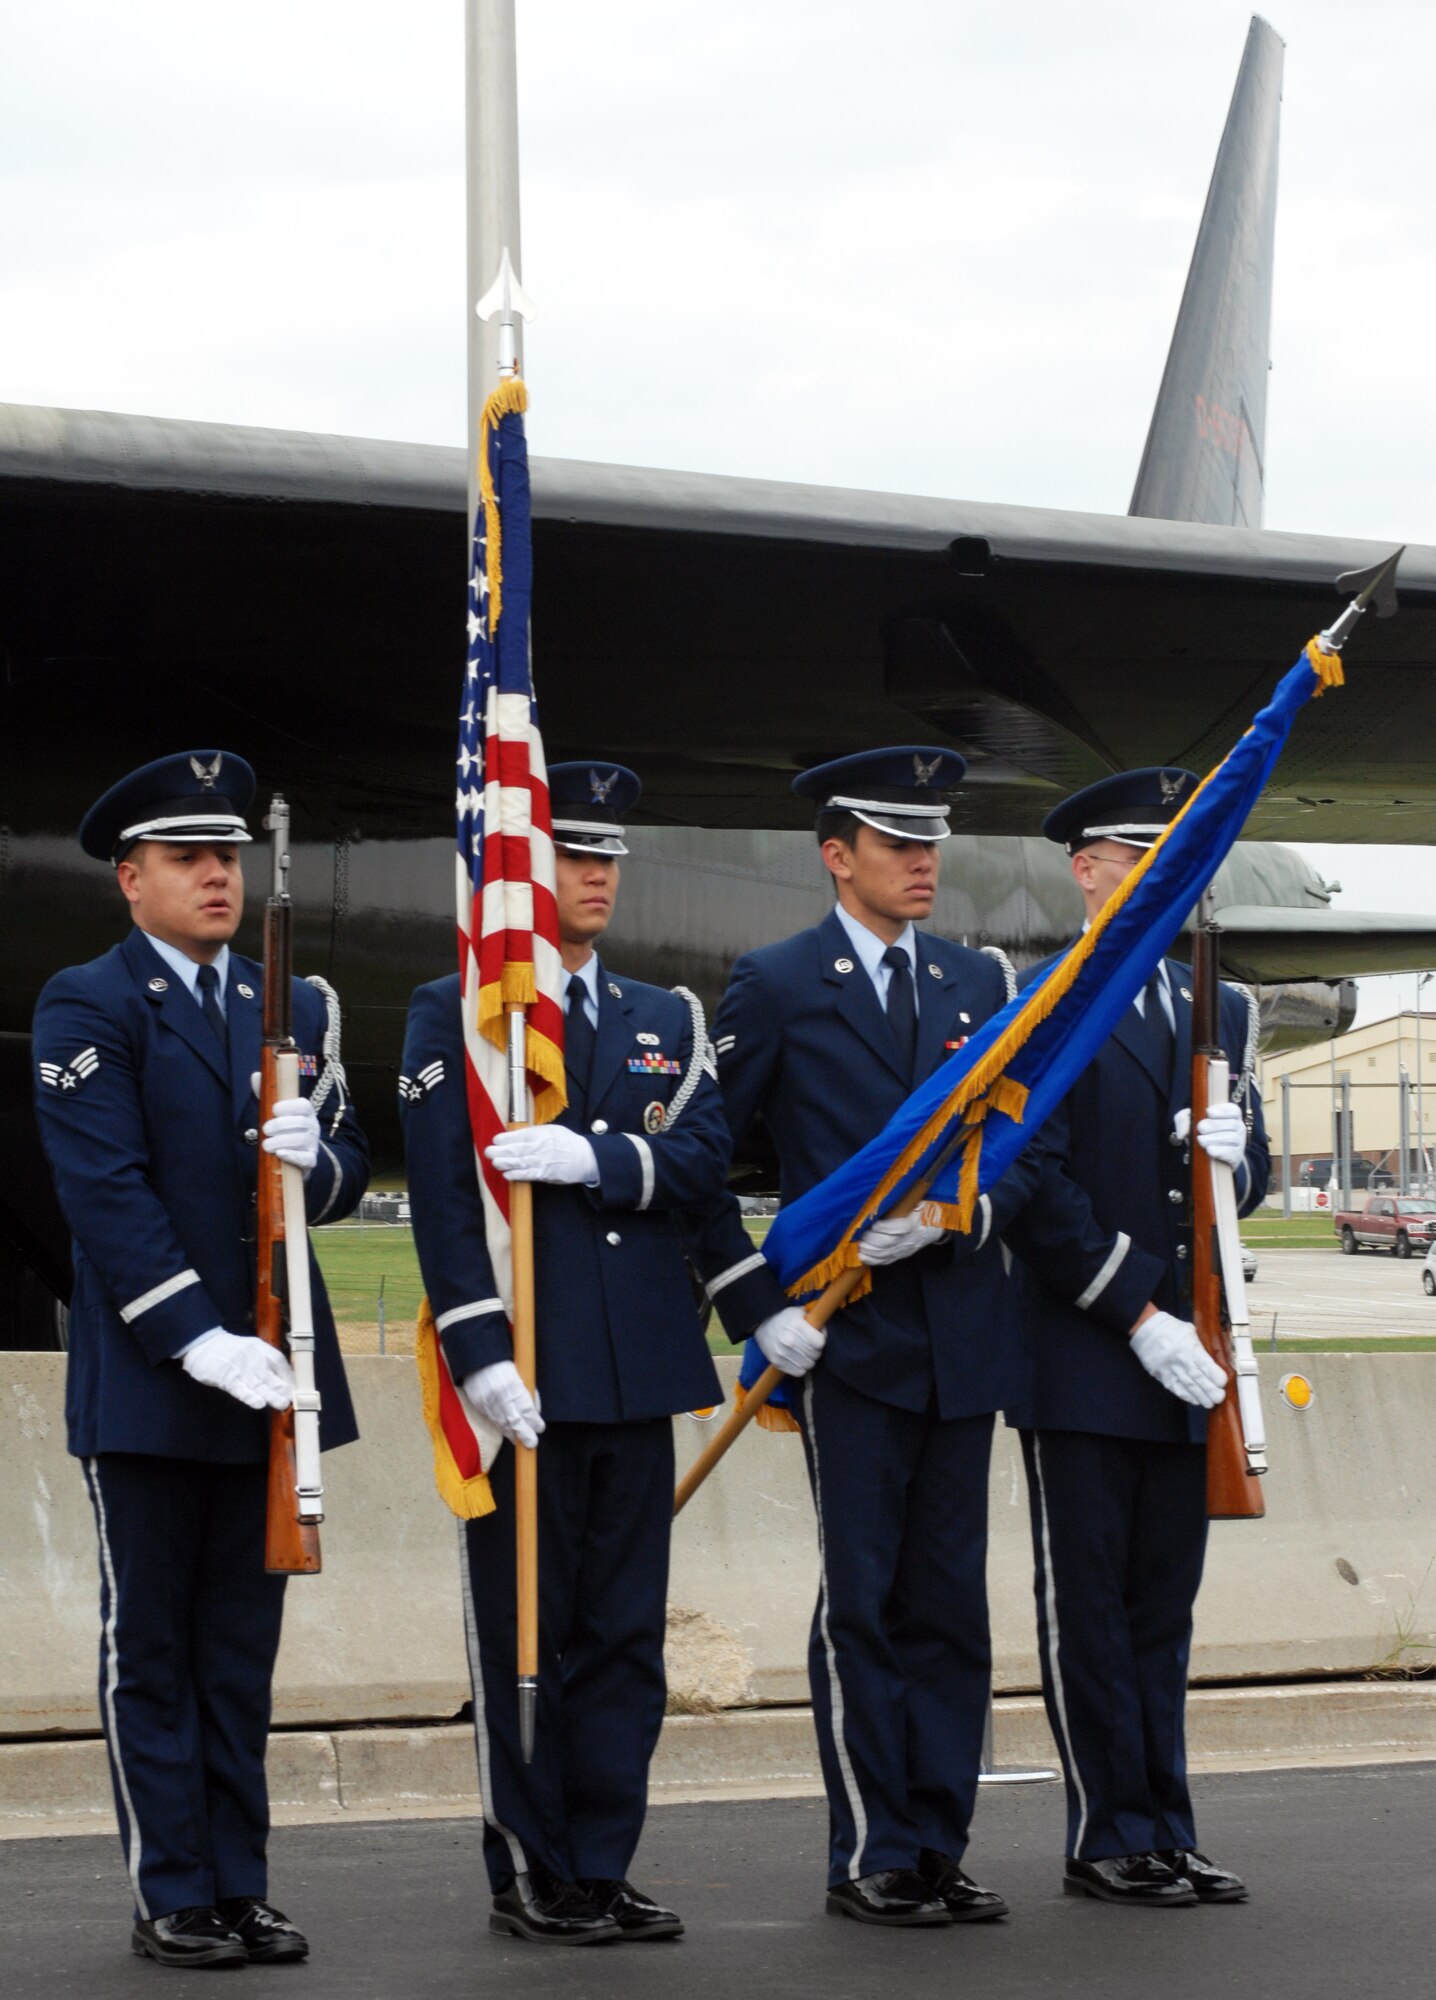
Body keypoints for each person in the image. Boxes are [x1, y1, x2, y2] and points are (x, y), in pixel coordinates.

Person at [686, 746, 1045, 1928]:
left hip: (960, 1338)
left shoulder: (972, 984)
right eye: (896, 843)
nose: (921, 861)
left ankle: (939, 1840)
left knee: (951, 1607)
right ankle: (875, 1849)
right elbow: (702, 1161)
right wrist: (759, 1308)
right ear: (836, 856)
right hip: (847, 1344)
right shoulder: (778, 982)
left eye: (930, 840)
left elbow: (1019, 1148)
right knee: (867, 1601)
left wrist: (964, 1212)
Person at [31, 750, 368, 1969]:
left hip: (273, 1377)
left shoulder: (296, 1006)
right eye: (188, 857)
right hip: (154, 1381)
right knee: (153, 1653)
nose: (216, 875)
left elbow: (347, 1164)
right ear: (133, 879)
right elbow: (104, 1191)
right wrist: (197, 1336)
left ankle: (240, 1882)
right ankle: (172, 1887)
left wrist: (312, 1159)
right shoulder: (90, 1002)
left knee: (238, 1654)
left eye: (226, 855)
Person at [401, 761, 731, 1947]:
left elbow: (702, 1164)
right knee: (522, 1636)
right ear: (519, 874)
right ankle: (529, 1866)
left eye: (606, 860)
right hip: (523, 1380)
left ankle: (602, 1858)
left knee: (622, 1637)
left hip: (636, 1367)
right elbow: (446, 1199)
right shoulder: (458, 1011)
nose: (594, 877)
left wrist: (601, 1160)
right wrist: (477, 1351)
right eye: (570, 858)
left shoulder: (666, 1017)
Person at [1009, 767, 1269, 1908]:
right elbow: (1032, 1182)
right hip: (1086, 1344)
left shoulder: (1226, 1003)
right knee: (1091, 1605)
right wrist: (1138, 1312)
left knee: (1163, 1605)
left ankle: (1164, 1821)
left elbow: (1240, 1182)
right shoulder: (1045, 995)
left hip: (1192, 1351)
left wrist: (1236, 1152)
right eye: (1136, 851)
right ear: (1085, 868)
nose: (1168, 871)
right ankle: (1104, 1830)